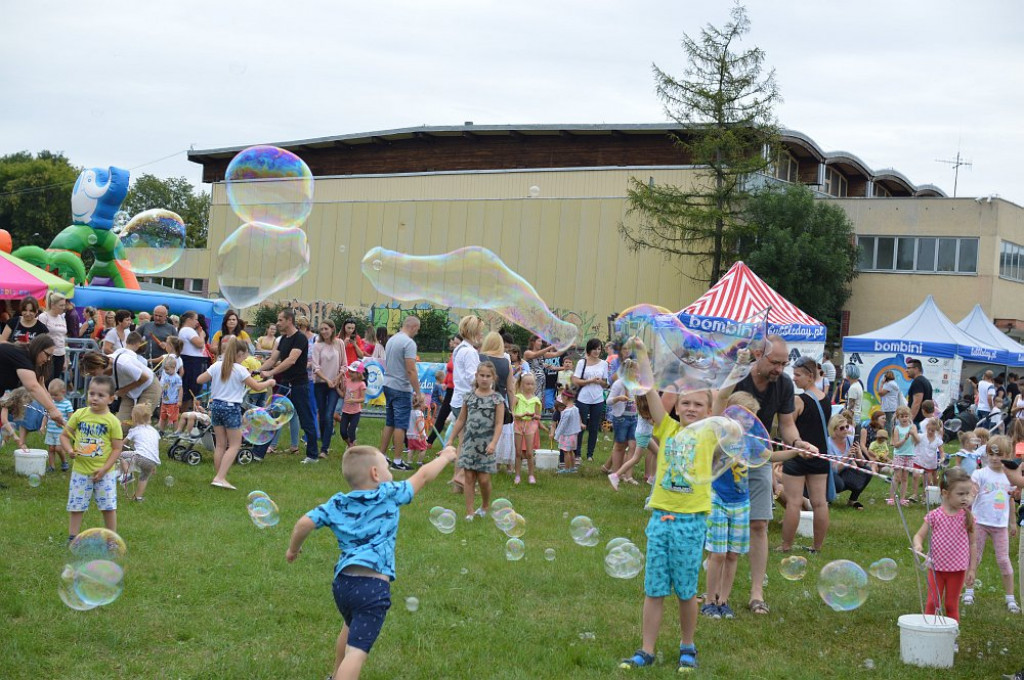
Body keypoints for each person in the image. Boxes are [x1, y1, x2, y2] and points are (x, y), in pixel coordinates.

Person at [286, 444, 457, 680]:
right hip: (372, 589)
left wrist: (293, 550)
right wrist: (447, 456)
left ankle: (335, 674)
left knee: (349, 627)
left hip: (343, 585)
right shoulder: (388, 493)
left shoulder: (337, 503)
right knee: (357, 652)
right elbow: (424, 475)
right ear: (376, 474)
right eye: (388, 467)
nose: (391, 472)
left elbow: (304, 523)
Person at [618, 343, 721, 672]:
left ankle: (687, 646)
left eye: (698, 404)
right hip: (660, 519)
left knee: (687, 590)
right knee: (654, 588)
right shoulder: (667, 428)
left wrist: (732, 370)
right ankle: (646, 650)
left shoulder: (709, 435)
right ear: (677, 406)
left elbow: (725, 398)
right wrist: (644, 357)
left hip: (690, 522)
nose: (691, 408)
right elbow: (648, 391)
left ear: (708, 410)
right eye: (686, 402)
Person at [732, 335, 815, 615]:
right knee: (718, 523)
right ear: (758, 354)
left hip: (759, 458)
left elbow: (788, 425)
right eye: (775, 362)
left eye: (784, 363)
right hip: (727, 457)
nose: (780, 369)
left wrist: (798, 443)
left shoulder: (784, 384)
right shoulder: (737, 376)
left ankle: (757, 593)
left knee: (760, 524)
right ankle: (715, 589)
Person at [702, 391, 760, 620]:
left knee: (733, 555)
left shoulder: (752, 440)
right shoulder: (718, 437)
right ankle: (709, 600)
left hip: (741, 503)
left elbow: (768, 456)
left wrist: (797, 452)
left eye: (752, 417)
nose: (749, 421)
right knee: (717, 554)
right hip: (718, 498)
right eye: (745, 416)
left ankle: (723, 600)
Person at [198, 337, 275, 489]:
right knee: (234, 445)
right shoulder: (240, 370)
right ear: (240, 354)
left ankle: (218, 476)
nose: (247, 357)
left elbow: (200, 379)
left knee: (220, 445)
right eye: (246, 354)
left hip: (216, 407)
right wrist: (269, 382)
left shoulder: (217, 365)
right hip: (231, 408)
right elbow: (258, 387)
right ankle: (220, 477)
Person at [778, 355, 832, 553]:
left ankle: (786, 546)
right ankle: (817, 548)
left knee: (793, 502)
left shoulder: (798, 400)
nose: (794, 378)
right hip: (820, 455)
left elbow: (787, 427)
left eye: (797, 375)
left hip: (798, 455)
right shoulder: (826, 399)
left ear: (810, 376)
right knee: (819, 503)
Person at [60, 375, 123, 540]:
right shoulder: (79, 414)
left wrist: (104, 469)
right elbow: (64, 436)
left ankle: (111, 539)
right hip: (80, 471)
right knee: (76, 506)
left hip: (104, 473)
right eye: (91, 393)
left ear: (111, 399)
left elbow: (117, 449)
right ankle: (72, 538)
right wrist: (69, 450)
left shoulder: (113, 421)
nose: (94, 398)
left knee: (108, 507)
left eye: (100, 395)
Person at [961, 435, 1019, 613]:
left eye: (999, 454)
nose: (994, 458)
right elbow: (972, 490)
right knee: (974, 558)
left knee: (1003, 560)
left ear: (1007, 455)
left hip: (1000, 526)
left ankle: (1010, 598)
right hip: (979, 522)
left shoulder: (1010, 477)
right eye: (991, 454)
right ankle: (968, 591)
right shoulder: (980, 473)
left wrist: (1012, 523)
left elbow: (1010, 500)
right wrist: (970, 495)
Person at [253, 308, 319, 464]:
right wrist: (258, 369)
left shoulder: (300, 338)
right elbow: (271, 359)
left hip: (299, 385)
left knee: (305, 418)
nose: (278, 323)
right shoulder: (283, 339)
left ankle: (313, 455)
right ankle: (258, 454)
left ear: (289, 320)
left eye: (280, 320)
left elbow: (291, 360)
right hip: (285, 384)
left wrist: (271, 373)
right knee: (273, 416)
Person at [912, 467, 976, 622]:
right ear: (945, 493)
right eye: (960, 494)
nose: (965, 498)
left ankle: (951, 637)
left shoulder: (967, 517)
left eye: (968, 493)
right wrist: (918, 545)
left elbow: (973, 544)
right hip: (936, 568)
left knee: (951, 604)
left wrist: (972, 569)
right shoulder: (935, 515)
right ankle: (929, 633)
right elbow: (919, 535)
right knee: (932, 602)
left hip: (957, 569)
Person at [449, 361, 503, 519]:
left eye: (488, 376)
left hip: (486, 445)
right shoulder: (469, 397)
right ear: (476, 376)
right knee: (469, 477)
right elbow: (460, 420)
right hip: (470, 444)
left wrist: (493, 442)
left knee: (484, 479)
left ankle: (485, 505)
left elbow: (499, 423)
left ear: (493, 378)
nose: (484, 379)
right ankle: (470, 511)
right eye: (482, 375)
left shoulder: (497, 399)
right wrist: (451, 439)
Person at [379, 315, 423, 470]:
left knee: (390, 421)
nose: (417, 333)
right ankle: (397, 461)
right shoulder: (408, 343)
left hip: (388, 384)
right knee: (401, 424)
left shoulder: (392, 339)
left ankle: (382, 455)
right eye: (417, 329)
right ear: (412, 326)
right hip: (400, 387)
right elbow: (411, 370)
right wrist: (418, 392)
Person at [0, 336, 67, 427]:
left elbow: (41, 388)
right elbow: (32, 387)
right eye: (47, 355)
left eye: (51, 357)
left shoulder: (27, 360)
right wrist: (52, 410)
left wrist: (55, 412)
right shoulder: (22, 356)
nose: (48, 360)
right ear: (38, 349)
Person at [79, 348, 159, 421]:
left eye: (93, 372)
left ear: (99, 365)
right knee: (121, 425)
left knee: (139, 421)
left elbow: (145, 377)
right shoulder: (99, 374)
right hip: (129, 392)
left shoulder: (122, 364)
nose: (92, 376)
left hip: (149, 386)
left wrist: (124, 390)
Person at [478, 331, 515, 476]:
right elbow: (511, 388)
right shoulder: (506, 362)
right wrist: (512, 409)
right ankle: (496, 462)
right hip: (500, 402)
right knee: (497, 435)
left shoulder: (480, 358)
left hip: (482, 401)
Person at [571, 339, 610, 464]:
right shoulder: (582, 362)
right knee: (580, 426)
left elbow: (606, 383)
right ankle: (577, 454)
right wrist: (590, 381)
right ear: (589, 349)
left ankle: (590, 454)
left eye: (599, 349)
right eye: (595, 348)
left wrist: (600, 382)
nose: (597, 351)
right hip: (583, 397)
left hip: (598, 398)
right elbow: (576, 381)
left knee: (594, 427)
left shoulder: (604, 364)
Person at [312, 320, 344, 458]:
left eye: (326, 329)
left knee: (329, 414)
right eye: (321, 329)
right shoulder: (317, 345)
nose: (324, 332)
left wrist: (337, 378)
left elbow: (344, 364)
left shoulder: (339, 343)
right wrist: (326, 379)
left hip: (335, 385)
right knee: (322, 416)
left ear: (332, 329)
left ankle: (324, 448)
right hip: (320, 383)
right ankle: (324, 437)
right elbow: (315, 367)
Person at [827, 414, 873, 510]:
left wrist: (858, 453)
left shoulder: (851, 439)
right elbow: (834, 470)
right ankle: (827, 498)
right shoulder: (828, 443)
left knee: (868, 471)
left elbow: (862, 464)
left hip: (847, 471)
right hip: (832, 474)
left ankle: (853, 500)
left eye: (847, 426)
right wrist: (846, 456)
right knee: (839, 484)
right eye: (842, 428)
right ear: (834, 430)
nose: (846, 430)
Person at [118, 403, 161, 502]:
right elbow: (154, 448)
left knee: (121, 455)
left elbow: (122, 444)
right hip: (152, 460)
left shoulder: (134, 430)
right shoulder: (154, 431)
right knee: (144, 478)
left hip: (140, 456)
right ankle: (138, 497)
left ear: (134, 418)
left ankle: (128, 474)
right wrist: (154, 465)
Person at [606, 361, 638, 490]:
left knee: (633, 446)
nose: (638, 373)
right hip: (621, 418)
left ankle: (628, 476)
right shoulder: (619, 384)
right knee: (620, 446)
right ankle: (616, 473)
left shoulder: (636, 384)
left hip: (634, 418)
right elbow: (608, 401)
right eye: (636, 370)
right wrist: (618, 398)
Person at [427, 336, 458, 447]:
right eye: (452, 342)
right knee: (442, 416)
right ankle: (430, 441)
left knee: (454, 418)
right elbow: (449, 371)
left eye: (455, 342)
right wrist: (445, 382)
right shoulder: (454, 354)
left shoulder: (461, 354)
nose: (452, 344)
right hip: (450, 388)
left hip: (457, 389)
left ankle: (434, 442)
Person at [511, 373, 542, 485]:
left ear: (535, 386)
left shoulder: (536, 400)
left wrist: (533, 415)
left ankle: (531, 475)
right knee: (518, 451)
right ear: (522, 385)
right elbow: (512, 411)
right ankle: (517, 475)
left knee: (529, 452)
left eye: (532, 384)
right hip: (518, 424)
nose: (530, 386)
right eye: (527, 384)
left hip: (530, 425)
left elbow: (539, 416)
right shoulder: (517, 397)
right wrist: (517, 415)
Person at [178, 312, 208, 410]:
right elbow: (199, 344)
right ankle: (182, 411)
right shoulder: (188, 330)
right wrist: (202, 335)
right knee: (190, 387)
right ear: (189, 319)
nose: (197, 322)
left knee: (190, 387)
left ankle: (185, 411)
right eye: (195, 319)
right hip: (191, 361)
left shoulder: (185, 330)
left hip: (192, 360)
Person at [889, 406, 919, 505]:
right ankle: (891, 498)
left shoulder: (913, 427)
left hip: (910, 455)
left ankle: (902, 499)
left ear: (909, 416)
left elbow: (918, 441)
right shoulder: (897, 428)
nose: (904, 418)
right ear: (898, 418)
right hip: (899, 455)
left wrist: (914, 434)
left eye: (906, 416)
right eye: (902, 416)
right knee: (897, 477)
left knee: (905, 478)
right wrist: (905, 438)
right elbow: (896, 445)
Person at [909, 417, 944, 503]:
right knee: (915, 476)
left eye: (933, 430)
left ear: (936, 431)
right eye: (929, 429)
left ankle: (925, 495)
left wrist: (942, 458)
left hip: (930, 463)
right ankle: (914, 494)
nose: (930, 432)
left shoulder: (938, 441)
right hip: (918, 460)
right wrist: (912, 433)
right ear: (926, 427)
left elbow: (942, 452)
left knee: (927, 480)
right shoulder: (921, 437)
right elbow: (913, 440)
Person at [44, 379, 74, 472]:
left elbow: (71, 419)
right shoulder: (50, 403)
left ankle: (64, 461)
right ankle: (52, 466)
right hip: (50, 431)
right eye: (51, 395)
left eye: (56, 395)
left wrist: (62, 422)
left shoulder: (67, 404)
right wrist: (42, 426)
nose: (53, 397)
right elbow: (46, 415)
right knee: (51, 449)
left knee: (58, 448)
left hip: (61, 432)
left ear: (63, 392)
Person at [39, 292, 68, 378]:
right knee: (47, 380)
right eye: (61, 305)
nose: (63, 308)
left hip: (60, 354)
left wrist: (65, 358)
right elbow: (40, 337)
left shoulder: (62, 318)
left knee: (54, 381)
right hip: (48, 355)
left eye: (64, 305)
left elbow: (63, 338)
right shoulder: (44, 317)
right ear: (53, 305)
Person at [337, 362, 366, 447]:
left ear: (359, 373)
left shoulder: (361, 384)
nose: (350, 373)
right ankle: (350, 445)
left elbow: (363, 399)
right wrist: (337, 388)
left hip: (355, 413)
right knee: (342, 432)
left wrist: (354, 400)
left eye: (352, 372)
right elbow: (343, 395)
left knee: (351, 431)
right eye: (349, 371)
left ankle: (352, 446)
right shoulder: (347, 381)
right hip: (345, 411)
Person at [158, 356, 183, 434]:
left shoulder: (177, 378)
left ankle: (176, 432)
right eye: (165, 369)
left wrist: (179, 400)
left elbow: (180, 389)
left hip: (173, 402)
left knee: (174, 418)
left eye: (167, 369)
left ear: (174, 367)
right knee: (163, 417)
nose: (166, 371)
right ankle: (161, 431)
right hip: (165, 401)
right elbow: (163, 387)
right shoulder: (166, 376)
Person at [906, 358, 933, 425]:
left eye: (909, 368)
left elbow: (917, 403)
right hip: (924, 420)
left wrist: (910, 421)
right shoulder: (925, 381)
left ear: (916, 369)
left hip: (918, 421)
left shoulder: (917, 382)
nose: (906, 370)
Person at [876, 370, 901, 436]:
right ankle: (892, 436)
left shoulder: (889, 384)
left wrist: (881, 383)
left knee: (888, 422)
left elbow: (880, 393)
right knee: (891, 422)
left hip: (888, 406)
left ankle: (889, 437)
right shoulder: (894, 383)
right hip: (893, 405)